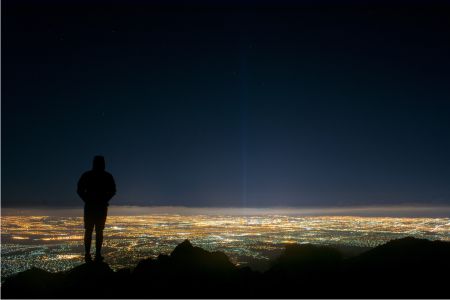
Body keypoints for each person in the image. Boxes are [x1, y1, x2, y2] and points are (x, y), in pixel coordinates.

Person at [77, 155, 116, 263]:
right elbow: (113, 190)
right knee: (98, 231)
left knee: (90, 231)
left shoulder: (87, 175)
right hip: (100, 207)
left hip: (91, 207)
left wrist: (86, 199)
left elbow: (79, 189)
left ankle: (89, 255)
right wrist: (105, 200)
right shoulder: (107, 176)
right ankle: (95, 255)